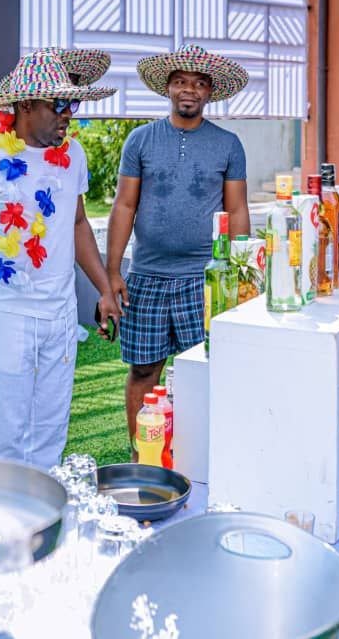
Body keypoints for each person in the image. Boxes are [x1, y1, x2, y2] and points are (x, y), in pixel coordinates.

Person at [0, 49, 120, 469]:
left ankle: (44, 507)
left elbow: (77, 222)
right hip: (6, 316)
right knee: (4, 434)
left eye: (72, 103)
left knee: (50, 432)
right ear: (25, 105)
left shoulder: (73, 156)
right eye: (58, 104)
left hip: (60, 313)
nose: (68, 114)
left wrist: (104, 289)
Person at [105, 44, 251, 457]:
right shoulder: (141, 140)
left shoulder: (228, 144)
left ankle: (202, 455)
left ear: (210, 92)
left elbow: (237, 210)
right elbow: (124, 206)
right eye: (181, 82)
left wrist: (241, 273)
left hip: (204, 278)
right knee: (143, 370)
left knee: (205, 370)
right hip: (147, 276)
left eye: (199, 83)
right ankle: (143, 456)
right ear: (167, 88)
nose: (190, 89)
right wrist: (113, 272)